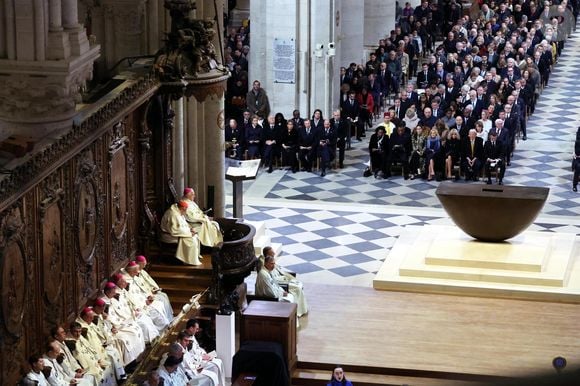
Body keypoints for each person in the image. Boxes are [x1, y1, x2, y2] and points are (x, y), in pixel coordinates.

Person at [92, 297, 145, 366]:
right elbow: (100, 330)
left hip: (111, 333)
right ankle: (128, 364)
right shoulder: (94, 318)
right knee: (123, 340)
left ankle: (133, 360)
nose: (102, 311)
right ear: (96, 307)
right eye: (101, 309)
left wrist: (112, 328)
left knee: (129, 336)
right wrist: (110, 329)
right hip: (107, 339)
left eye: (103, 309)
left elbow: (108, 325)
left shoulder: (100, 314)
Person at [260, 247, 308, 317]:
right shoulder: (264, 274)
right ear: (266, 264)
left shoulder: (269, 266)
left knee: (296, 288)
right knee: (294, 292)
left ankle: (299, 312)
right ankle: (295, 315)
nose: (274, 253)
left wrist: (282, 291)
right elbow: (270, 290)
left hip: (280, 284)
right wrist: (281, 293)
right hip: (278, 288)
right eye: (272, 252)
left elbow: (274, 284)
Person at [160, 200, 202, 266]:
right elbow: (175, 229)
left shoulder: (178, 211)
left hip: (177, 233)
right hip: (169, 235)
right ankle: (186, 260)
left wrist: (190, 229)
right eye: (185, 210)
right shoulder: (173, 214)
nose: (185, 212)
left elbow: (183, 224)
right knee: (192, 240)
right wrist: (189, 233)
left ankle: (191, 259)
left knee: (196, 237)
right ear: (182, 208)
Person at [572, 127, 580, 192]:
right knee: (578, 167)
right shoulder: (578, 142)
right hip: (578, 158)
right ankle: (574, 185)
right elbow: (577, 153)